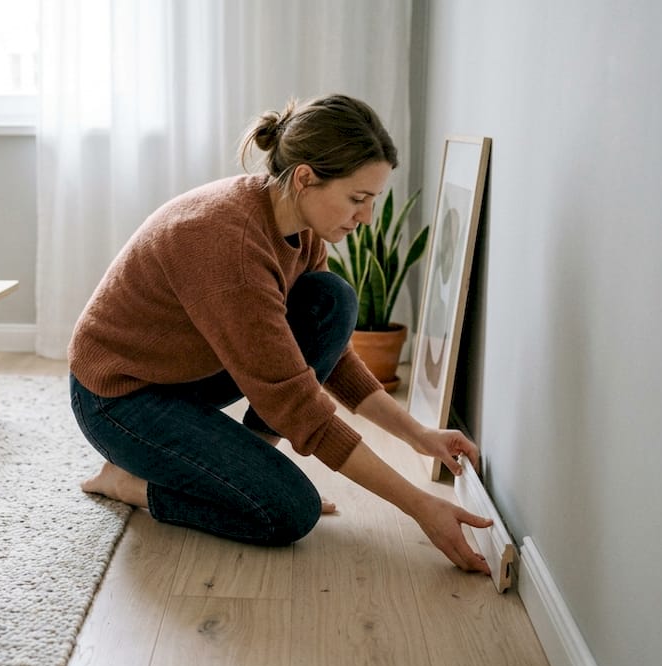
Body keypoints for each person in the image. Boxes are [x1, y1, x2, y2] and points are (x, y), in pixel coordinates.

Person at [68, 94, 492, 573]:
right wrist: (420, 507)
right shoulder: (230, 248)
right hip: (119, 397)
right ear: (306, 177)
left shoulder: (297, 221)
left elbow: (322, 357)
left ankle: (249, 469)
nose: (367, 217)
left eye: (373, 201)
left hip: (185, 371)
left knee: (331, 299)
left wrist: (419, 435)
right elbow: (299, 405)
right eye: (358, 199)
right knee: (289, 512)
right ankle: (127, 483)